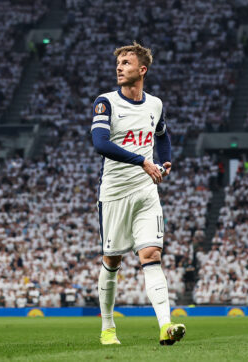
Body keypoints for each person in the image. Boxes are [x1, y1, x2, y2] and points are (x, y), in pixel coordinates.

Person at [90, 42, 185, 347]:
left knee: (152, 255)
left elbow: (162, 134)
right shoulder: (105, 102)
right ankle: (107, 328)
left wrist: (165, 159)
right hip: (115, 194)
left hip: (145, 192)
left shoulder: (154, 104)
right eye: (118, 62)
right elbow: (100, 144)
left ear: (142, 70)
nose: (119, 67)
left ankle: (165, 326)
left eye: (126, 62)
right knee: (112, 261)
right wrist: (143, 160)